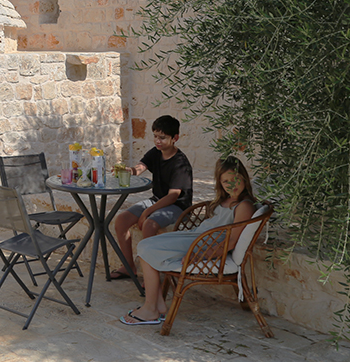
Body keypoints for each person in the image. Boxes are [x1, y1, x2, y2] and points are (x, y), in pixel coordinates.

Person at [119, 156, 257, 325]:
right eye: (225, 181)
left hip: (201, 245)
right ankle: (157, 304)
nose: (231, 185)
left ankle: (150, 309)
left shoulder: (243, 206)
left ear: (243, 177)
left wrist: (199, 255)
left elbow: (232, 241)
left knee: (146, 248)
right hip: (195, 237)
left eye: (235, 179)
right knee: (146, 247)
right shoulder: (227, 199)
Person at [109, 115, 193, 280]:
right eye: (155, 136)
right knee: (121, 220)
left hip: (178, 206)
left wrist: (147, 211)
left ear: (175, 138)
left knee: (149, 225)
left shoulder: (180, 163)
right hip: (157, 201)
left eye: (162, 137)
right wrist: (127, 170)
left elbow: (172, 197)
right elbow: (139, 168)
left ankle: (151, 278)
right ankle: (128, 267)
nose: (158, 141)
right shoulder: (156, 153)